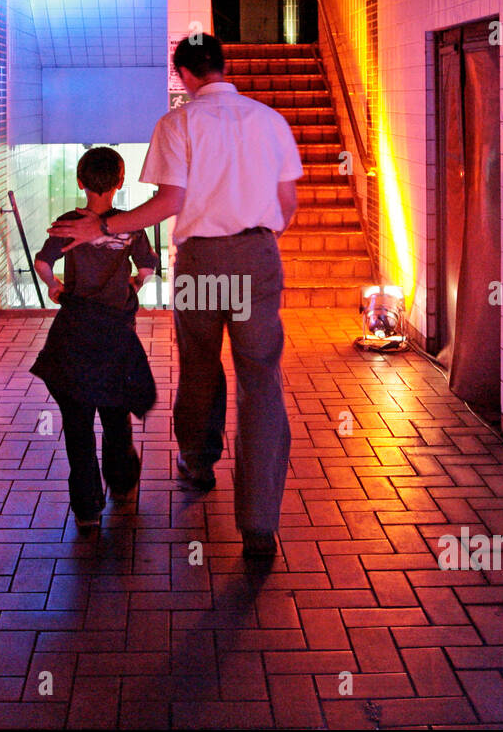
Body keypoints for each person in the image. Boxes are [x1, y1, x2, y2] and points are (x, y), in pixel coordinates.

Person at [49, 34, 302, 560]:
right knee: (261, 382)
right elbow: (287, 201)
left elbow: (170, 201)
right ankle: (259, 524)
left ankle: (198, 459)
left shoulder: (179, 123)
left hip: (202, 263)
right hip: (257, 256)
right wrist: (254, 240)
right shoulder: (269, 121)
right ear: (221, 66)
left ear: (184, 74)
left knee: (202, 365)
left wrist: (103, 227)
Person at [31, 147, 159, 530]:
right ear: (120, 182)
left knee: (77, 420)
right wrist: (134, 282)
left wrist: (54, 286)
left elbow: (42, 262)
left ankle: (87, 508)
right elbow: (149, 267)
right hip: (116, 335)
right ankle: (121, 484)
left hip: (75, 331)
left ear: (80, 182)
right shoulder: (129, 225)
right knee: (116, 413)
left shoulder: (68, 222)